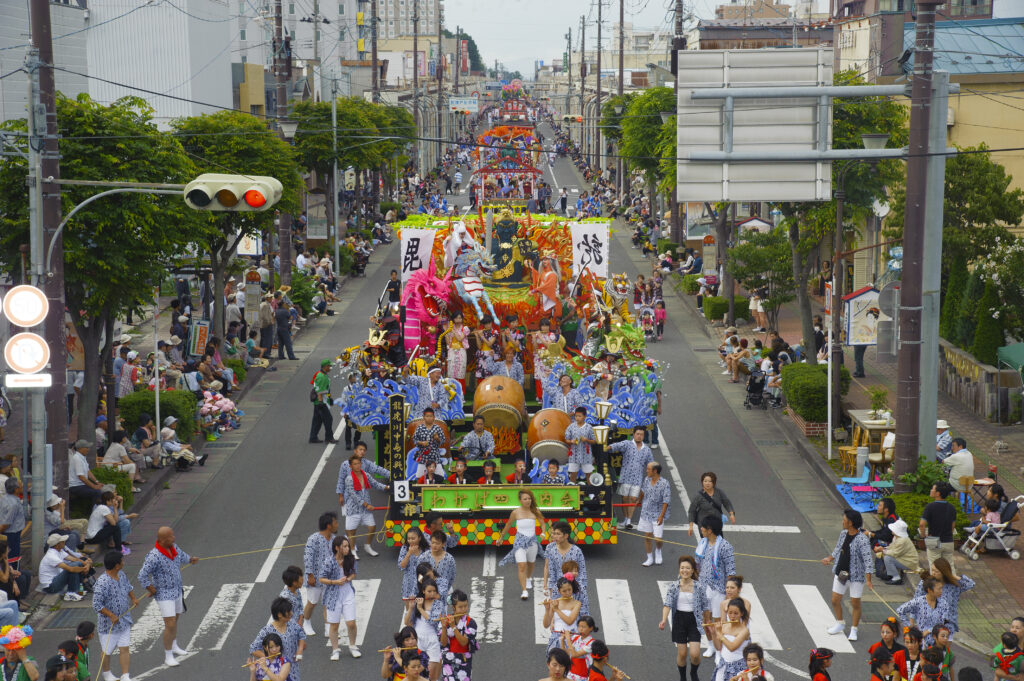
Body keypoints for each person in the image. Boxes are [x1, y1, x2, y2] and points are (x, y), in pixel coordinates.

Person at [136, 527, 199, 668]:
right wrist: (150, 588)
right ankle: (168, 655)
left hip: (177, 590)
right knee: (169, 624)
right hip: (164, 593)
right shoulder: (154, 556)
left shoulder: (174, 547)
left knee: (175, 620)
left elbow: (182, 556)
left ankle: (174, 645)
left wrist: (190, 559)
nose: (174, 538)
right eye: (171, 537)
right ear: (163, 540)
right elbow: (142, 575)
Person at [821, 509, 873, 641]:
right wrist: (829, 558)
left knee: (855, 602)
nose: (842, 522)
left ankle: (854, 629)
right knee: (835, 600)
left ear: (850, 523)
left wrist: (868, 580)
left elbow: (868, 560)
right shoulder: (843, 533)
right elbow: (838, 548)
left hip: (856, 576)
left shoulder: (862, 539)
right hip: (841, 572)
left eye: (844, 520)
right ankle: (840, 623)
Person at [659, 556, 707, 681]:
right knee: (682, 653)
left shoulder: (699, 587)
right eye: (682, 568)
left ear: (692, 571)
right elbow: (667, 604)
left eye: (687, 568)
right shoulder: (674, 586)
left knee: (695, 654)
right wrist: (664, 619)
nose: (684, 570)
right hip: (679, 620)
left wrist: (708, 622)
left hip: (694, 620)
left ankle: (693, 673)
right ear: (679, 570)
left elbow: (705, 606)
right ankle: (682, 678)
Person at [92, 550, 138, 681]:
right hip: (109, 625)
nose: (124, 562)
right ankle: (107, 674)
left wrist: (133, 598)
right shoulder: (102, 582)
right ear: (117, 565)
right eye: (122, 561)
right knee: (107, 651)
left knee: (125, 648)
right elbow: (96, 604)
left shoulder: (121, 574)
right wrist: (111, 615)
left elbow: (128, 587)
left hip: (124, 620)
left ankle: (125, 675)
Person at [498, 490, 551, 600]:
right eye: (525, 499)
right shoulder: (515, 512)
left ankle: (528, 578)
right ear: (520, 500)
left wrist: (543, 532)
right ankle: (524, 591)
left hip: (532, 542)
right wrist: (501, 537)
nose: (528, 501)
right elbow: (508, 525)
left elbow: (542, 523)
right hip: (519, 542)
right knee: (522, 566)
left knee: (530, 563)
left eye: (529, 498)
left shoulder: (535, 511)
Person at [696, 515, 737, 657]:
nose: (700, 529)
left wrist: (729, 593)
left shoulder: (725, 546)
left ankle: (720, 651)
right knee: (706, 619)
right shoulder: (702, 543)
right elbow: (697, 564)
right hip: (703, 586)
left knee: (718, 622)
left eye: (703, 527)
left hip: (719, 589)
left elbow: (731, 571)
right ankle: (711, 645)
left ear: (710, 530)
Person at [911, 558, 975, 639]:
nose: (933, 573)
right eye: (932, 570)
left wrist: (952, 576)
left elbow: (970, 584)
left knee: (943, 650)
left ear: (944, 572)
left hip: (947, 624)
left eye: (936, 571)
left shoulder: (953, 585)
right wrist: (911, 623)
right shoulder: (926, 583)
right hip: (928, 623)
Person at [341, 455, 388, 559]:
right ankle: (352, 550)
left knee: (372, 527)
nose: (357, 466)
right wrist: (366, 504)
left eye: (359, 463)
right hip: (354, 509)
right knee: (351, 531)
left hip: (366, 509)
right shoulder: (349, 479)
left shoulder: (366, 475)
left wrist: (387, 487)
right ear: (350, 466)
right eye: (355, 464)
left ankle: (368, 546)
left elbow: (375, 484)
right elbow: (353, 495)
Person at [320, 536, 360, 660]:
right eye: (345, 546)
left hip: (347, 592)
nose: (348, 548)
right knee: (334, 625)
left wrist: (348, 579)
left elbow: (353, 573)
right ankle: (335, 649)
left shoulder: (351, 559)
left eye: (348, 546)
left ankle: (353, 646)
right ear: (337, 548)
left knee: (351, 623)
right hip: (333, 596)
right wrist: (335, 582)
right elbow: (321, 578)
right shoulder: (329, 561)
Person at [606, 427, 654, 529]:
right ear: (634, 434)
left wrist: (652, 476)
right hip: (625, 477)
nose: (639, 436)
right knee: (624, 498)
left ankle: (628, 521)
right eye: (637, 434)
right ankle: (625, 519)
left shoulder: (647, 450)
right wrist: (606, 448)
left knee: (632, 499)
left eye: (641, 434)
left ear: (643, 436)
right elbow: (616, 446)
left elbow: (650, 464)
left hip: (637, 479)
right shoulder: (627, 444)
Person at [248, 599, 306, 681]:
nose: (291, 614)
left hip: (293, 668)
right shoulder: (266, 631)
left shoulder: (292, 623)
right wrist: (270, 658)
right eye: (288, 612)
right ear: (279, 614)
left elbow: (301, 635)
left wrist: (299, 649)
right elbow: (253, 649)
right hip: (276, 670)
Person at [302, 511, 337, 636]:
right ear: (329, 525)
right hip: (315, 578)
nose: (337, 525)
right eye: (335, 522)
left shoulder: (334, 539)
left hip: (329, 578)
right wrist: (310, 575)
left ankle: (328, 628)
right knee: (312, 602)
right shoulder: (313, 539)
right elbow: (307, 557)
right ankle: (306, 622)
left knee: (327, 603)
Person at [543, 521, 590, 616]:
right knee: (558, 617)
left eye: (557, 534)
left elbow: (582, 573)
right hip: (559, 589)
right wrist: (551, 589)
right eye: (553, 533)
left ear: (566, 536)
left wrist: (580, 589)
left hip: (575, 589)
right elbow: (552, 572)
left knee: (579, 617)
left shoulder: (577, 551)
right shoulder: (551, 550)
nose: (554, 536)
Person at [405, 578, 444, 681]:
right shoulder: (418, 602)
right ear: (423, 591)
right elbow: (407, 623)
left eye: (434, 591)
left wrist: (421, 609)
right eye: (429, 591)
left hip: (433, 640)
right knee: (417, 673)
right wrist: (411, 608)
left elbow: (432, 621)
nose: (432, 594)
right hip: (418, 640)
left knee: (431, 674)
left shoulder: (438, 604)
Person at [438, 589, 478, 681]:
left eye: (465, 606)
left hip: (463, 660)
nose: (464, 609)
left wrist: (453, 627)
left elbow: (464, 642)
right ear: (454, 607)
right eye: (460, 607)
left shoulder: (470, 623)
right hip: (448, 661)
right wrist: (444, 627)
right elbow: (443, 644)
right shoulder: (447, 620)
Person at [637, 462, 671, 566]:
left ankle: (658, 550)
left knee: (658, 538)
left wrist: (661, 516)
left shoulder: (665, 483)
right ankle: (649, 558)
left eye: (648, 469)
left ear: (655, 471)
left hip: (657, 514)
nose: (646, 471)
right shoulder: (647, 479)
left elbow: (666, 501)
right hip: (645, 512)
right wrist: (639, 500)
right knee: (647, 537)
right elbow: (643, 491)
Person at [39, 534, 90, 601]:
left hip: (55, 580)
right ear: (57, 545)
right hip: (50, 587)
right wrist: (84, 568)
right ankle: (71, 593)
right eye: (62, 542)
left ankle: (77, 590)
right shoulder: (51, 556)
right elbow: (70, 569)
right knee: (73, 567)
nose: (64, 542)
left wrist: (85, 564)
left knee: (77, 563)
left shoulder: (59, 551)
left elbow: (74, 559)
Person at [897, 578, 947, 645]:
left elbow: (942, 623)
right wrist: (909, 625)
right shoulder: (919, 601)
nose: (941, 591)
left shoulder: (943, 603)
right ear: (929, 590)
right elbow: (900, 610)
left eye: (942, 588)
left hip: (937, 642)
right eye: (939, 589)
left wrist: (928, 631)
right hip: (922, 642)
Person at [688, 472, 736, 538]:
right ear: (702, 482)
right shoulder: (698, 496)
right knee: (707, 545)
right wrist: (691, 526)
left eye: (710, 481)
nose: (707, 483)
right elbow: (692, 511)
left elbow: (726, 502)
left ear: (714, 482)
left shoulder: (719, 492)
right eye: (705, 481)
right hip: (704, 525)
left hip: (717, 523)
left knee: (719, 543)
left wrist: (731, 514)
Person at [920, 482, 957, 565]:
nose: (931, 490)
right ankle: (951, 578)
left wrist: (923, 536)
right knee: (949, 566)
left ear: (938, 493)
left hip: (934, 541)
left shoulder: (930, 507)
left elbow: (922, 524)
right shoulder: (952, 508)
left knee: (934, 566)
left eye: (932, 489)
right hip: (948, 541)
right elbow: (953, 526)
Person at [875, 518, 918, 586]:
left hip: (909, 562)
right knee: (885, 555)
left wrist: (883, 550)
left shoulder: (902, 540)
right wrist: (883, 549)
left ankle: (896, 578)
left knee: (888, 558)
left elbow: (895, 553)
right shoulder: (897, 537)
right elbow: (892, 547)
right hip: (905, 559)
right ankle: (891, 574)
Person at [543, 576, 581, 652]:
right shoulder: (555, 602)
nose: (568, 593)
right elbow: (546, 625)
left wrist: (557, 609)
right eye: (564, 591)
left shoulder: (577, 603)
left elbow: (570, 621)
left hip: (571, 637)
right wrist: (547, 609)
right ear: (559, 591)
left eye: (569, 590)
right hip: (556, 637)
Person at [417, 532, 456, 599]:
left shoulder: (450, 559)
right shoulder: (423, 557)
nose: (434, 545)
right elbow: (418, 575)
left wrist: (444, 590)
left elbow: (452, 577)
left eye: (437, 543)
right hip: (427, 595)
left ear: (443, 544)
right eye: (432, 543)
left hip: (443, 594)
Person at [412, 409, 447, 479]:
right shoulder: (420, 428)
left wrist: (437, 439)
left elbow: (443, 441)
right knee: (419, 478)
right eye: (427, 416)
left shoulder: (437, 428)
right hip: (423, 457)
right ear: (424, 417)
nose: (429, 418)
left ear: (434, 417)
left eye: (431, 416)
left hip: (435, 456)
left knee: (440, 477)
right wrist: (421, 443)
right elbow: (414, 440)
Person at [563, 408, 596, 484]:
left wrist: (586, 440)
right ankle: (572, 493)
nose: (577, 418)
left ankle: (591, 493)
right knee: (573, 474)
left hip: (586, 455)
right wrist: (571, 441)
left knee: (589, 475)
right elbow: (566, 439)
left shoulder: (589, 427)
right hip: (574, 455)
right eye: (576, 416)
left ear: (585, 416)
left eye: (579, 416)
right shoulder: (571, 427)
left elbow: (594, 441)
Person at [310, 359, 338, 444]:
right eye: (329, 366)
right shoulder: (322, 377)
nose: (330, 367)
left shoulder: (320, 375)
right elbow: (320, 391)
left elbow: (326, 390)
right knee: (328, 419)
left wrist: (330, 398)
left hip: (319, 402)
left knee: (317, 420)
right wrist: (321, 402)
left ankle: (313, 437)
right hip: (321, 402)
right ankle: (329, 438)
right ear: (325, 367)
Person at [0, 480, 27, 567]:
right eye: (20, 486)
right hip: (11, 534)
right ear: (16, 489)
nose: (22, 487)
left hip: (10, 533)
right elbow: (6, 523)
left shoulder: (4, 498)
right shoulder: (13, 504)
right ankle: (13, 575)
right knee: (13, 557)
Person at [68, 440, 104, 505]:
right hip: (75, 486)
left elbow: (88, 472)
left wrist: (97, 482)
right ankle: (96, 512)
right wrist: (94, 486)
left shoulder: (82, 457)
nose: (88, 449)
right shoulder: (77, 458)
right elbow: (81, 477)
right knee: (97, 492)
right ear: (80, 449)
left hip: (81, 485)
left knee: (103, 489)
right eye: (86, 447)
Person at [566, 616, 599, 681]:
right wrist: (562, 640)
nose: (580, 629)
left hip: (582, 676)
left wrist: (567, 638)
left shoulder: (591, 643)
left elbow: (574, 654)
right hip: (570, 673)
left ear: (591, 628)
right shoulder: (575, 637)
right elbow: (567, 653)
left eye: (583, 627)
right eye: (579, 626)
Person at [446, 312, 470, 390]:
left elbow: (460, 339)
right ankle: (451, 392)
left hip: (461, 350)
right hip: (452, 350)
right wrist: (446, 332)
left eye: (460, 318)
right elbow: (447, 342)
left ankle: (461, 394)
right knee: (451, 371)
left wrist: (453, 331)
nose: (458, 320)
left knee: (461, 371)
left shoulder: (465, 328)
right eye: (456, 318)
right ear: (453, 319)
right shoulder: (450, 327)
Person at [278, 566, 304, 631]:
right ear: (294, 582)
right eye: (301, 579)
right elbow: (284, 617)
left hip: (297, 625)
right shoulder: (285, 597)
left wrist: (300, 621)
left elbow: (300, 606)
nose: (303, 580)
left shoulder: (296, 590)